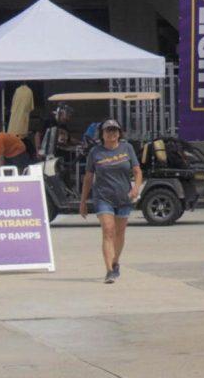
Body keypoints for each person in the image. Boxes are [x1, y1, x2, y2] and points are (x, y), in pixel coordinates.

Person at [79, 119, 141, 284]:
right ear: (102, 134)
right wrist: (83, 201)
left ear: (119, 133)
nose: (112, 133)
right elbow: (88, 177)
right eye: (108, 130)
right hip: (103, 198)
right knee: (108, 230)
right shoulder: (95, 152)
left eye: (115, 130)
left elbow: (137, 170)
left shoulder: (127, 148)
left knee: (119, 234)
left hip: (123, 198)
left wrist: (136, 188)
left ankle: (115, 262)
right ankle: (109, 271)